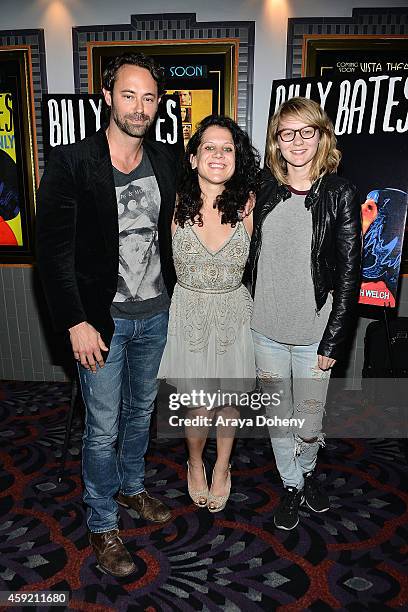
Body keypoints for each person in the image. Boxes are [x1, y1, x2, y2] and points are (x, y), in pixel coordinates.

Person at [36, 52, 178, 577]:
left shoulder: (166, 160)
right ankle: (101, 523)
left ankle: (133, 489)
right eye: (128, 94)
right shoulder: (73, 163)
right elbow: (51, 254)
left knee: (141, 414)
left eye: (148, 97)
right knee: (101, 428)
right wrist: (75, 321)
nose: (139, 106)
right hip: (101, 323)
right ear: (107, 96)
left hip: (157, 315)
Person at [247, 97, 361, 530]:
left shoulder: (340, 193)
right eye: (286, 133)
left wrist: (334, 340)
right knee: (279, 419)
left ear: (321, 136)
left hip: (315, 332)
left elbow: (350, 275)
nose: (296, 141)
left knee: (308, 422)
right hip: (266, 331)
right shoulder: (266, 188)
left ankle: (308, 466)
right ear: (277, 140)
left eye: (306, 131)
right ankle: (293, 484)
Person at [158, 115, 260, 512]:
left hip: (235, 313)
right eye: (209, 147)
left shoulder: (249, 204)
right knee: (199, 403)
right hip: (189, 313)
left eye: (227, 148)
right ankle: (196, 462)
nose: (218, 155)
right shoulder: (174, 204)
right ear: (193, 157)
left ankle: (222, 467)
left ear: (237, 158)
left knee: (230, 402)